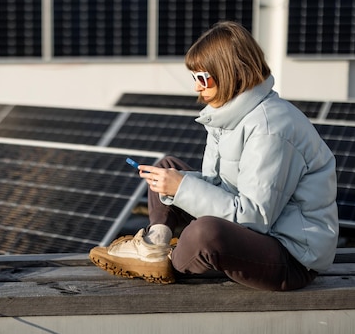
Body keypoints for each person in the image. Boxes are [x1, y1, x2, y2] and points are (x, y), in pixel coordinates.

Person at [89, 21, 339, 291]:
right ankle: (155, 245)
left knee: (204, 233)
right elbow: (219, 187)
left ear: (230, 73)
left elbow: (254, 219)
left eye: (202, 78)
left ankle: (166, 261)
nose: (197, 87)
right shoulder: (229, 116)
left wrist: (182, 188)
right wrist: (175, 183)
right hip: (254, 231)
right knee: (166, 168)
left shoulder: (271, 128)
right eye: (194, 78)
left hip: (291, 257)